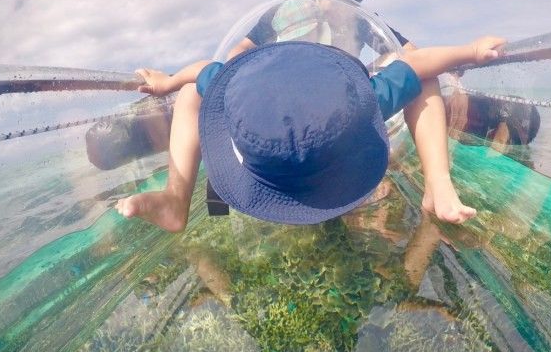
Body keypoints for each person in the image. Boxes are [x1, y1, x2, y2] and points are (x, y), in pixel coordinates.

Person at [133, 0, 482, 225]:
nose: (342, 5)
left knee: (206, 89)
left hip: (336, 110)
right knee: (205, 100)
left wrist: (403, 61)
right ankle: (183, 199)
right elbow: (238, 53)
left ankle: (436, 183)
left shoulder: (360, 21)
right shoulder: (289, 13)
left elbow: (410, 54)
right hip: (273, 109)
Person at [115, 37, 505, 233]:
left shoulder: (353, 107)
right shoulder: (237, 103)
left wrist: (473, 50)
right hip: (257, 113)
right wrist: (166, 83)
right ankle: (176, 198)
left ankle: (437, 185)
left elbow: (415, 63)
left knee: (188, 91)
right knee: (190, 93)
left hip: (287, 112)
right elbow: (414, 63)